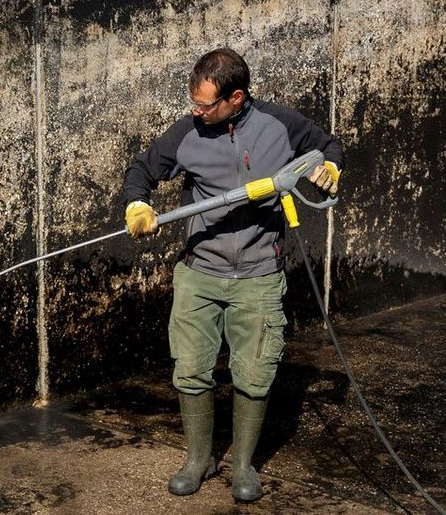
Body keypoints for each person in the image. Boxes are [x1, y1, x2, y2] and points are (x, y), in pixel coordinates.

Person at [121, 47, 343, 500]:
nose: (195, 111)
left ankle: (243, 467)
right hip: (200, 271)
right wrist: (137, 202)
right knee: (190, 369)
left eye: (205, 104)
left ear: (236, 97)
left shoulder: (280, 125)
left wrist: (331, 167)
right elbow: (142, 168)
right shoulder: (188, 133)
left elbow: (328, 144)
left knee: (254, 373)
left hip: (260, 273)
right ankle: (198, 460)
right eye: (193, 101)